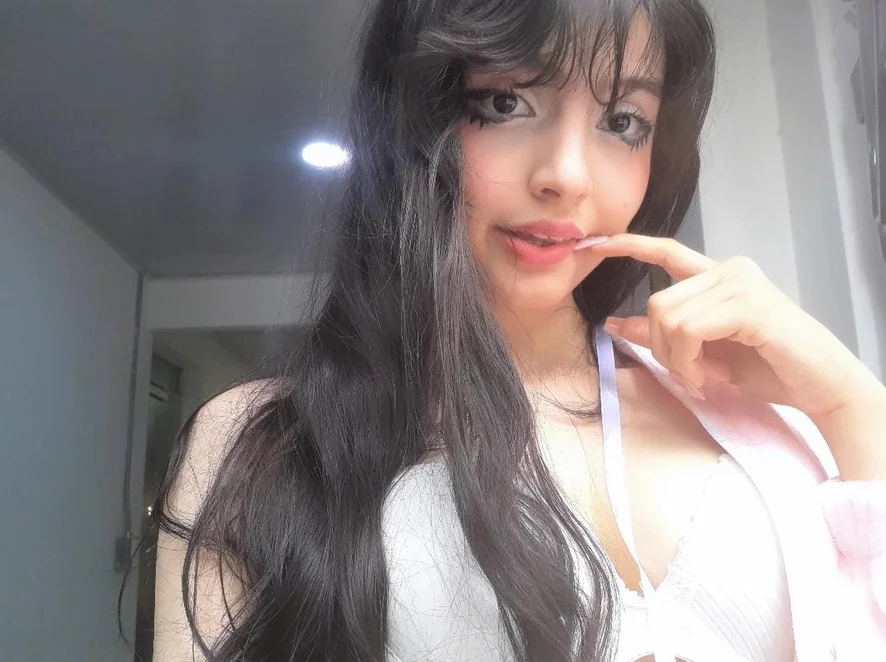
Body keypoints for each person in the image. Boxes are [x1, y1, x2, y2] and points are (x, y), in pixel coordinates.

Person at [149, 0, 886, 660]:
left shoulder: (762, 415)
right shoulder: (265, 446)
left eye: (622, 122)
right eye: (504, 102)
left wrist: (855, 408)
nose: (567, 175)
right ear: (416, 118)